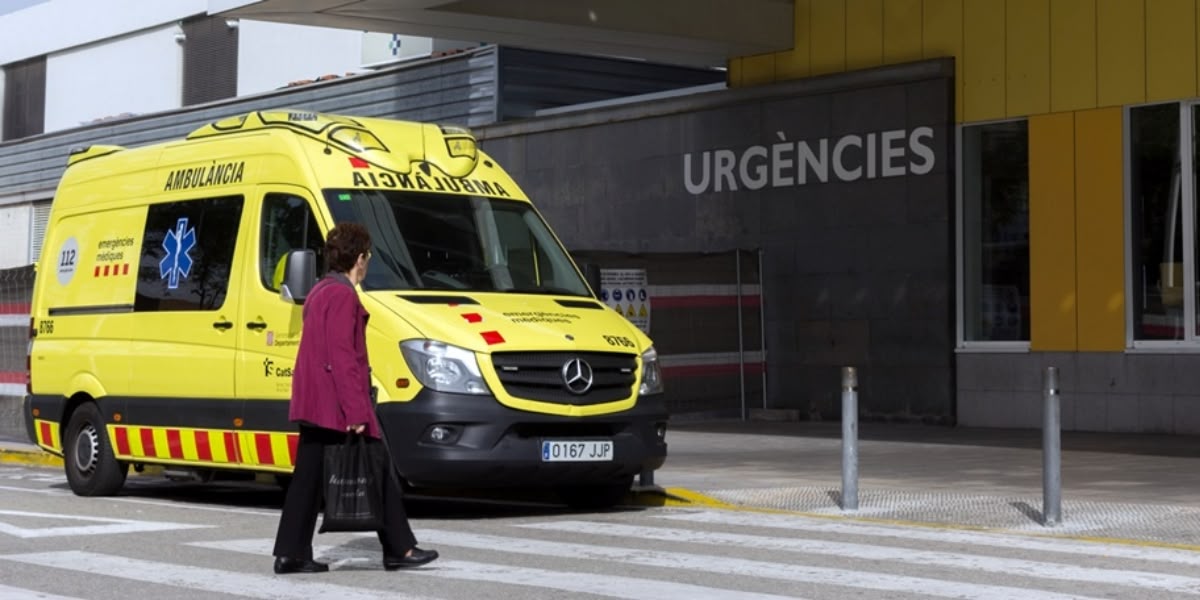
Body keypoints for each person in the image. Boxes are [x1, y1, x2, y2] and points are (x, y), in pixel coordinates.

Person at [272, 222, 438, 574]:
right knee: (378, 468)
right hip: (335, 405)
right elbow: (342, 358)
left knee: (306, 481)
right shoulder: (343, 294)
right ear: (360, 258)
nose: (367, 264)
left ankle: (291, 553)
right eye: (368, 257)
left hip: (314, 403)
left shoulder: (320, 290)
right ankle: (400, 549)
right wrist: (357, 409)